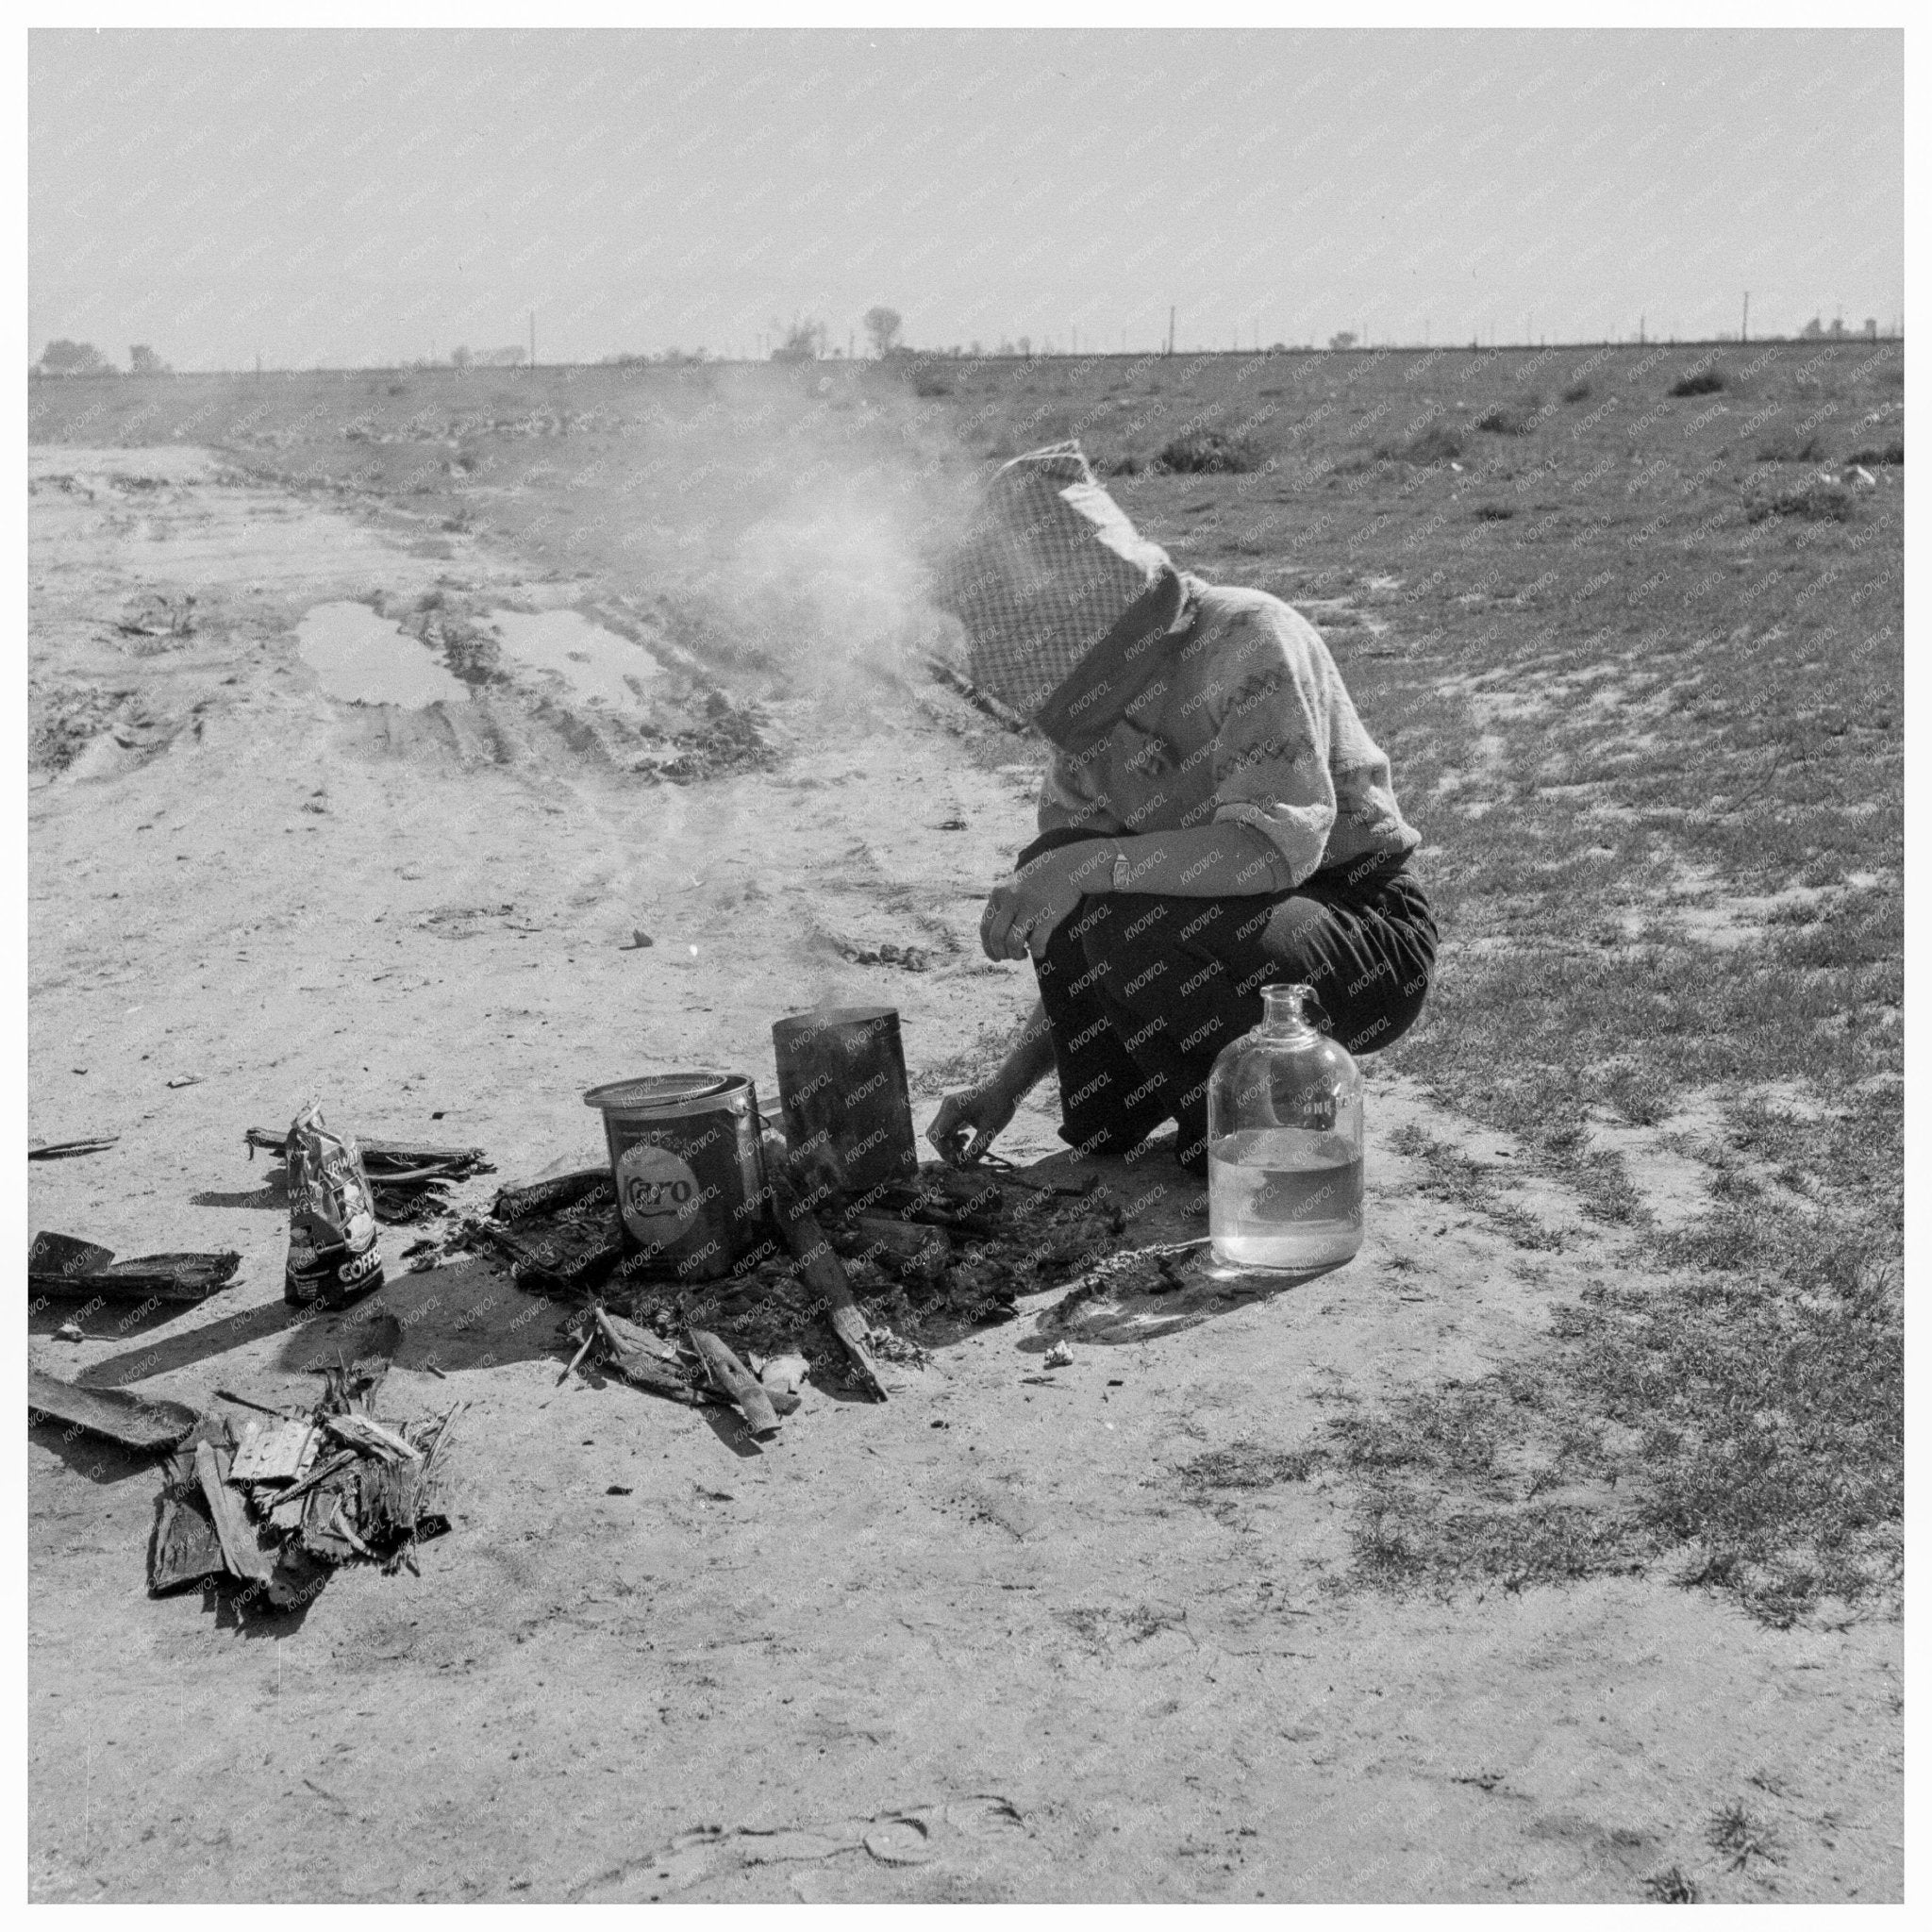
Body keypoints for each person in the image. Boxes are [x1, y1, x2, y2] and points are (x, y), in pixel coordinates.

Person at [925, 441, 1437, 1178]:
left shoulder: (1247, 636)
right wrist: (1006, 1086)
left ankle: (1260, 1132)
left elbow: (1272, 851)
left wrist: (1090, 866)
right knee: (1064, 882)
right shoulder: (1084, 720)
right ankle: (1184, 1095)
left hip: (1355, 922)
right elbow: (1076, 905)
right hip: (1216, 928)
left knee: (1111, 900)